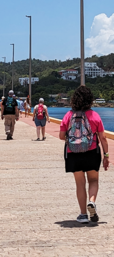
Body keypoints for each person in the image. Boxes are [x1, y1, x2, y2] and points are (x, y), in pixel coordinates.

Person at [59, 85, 109, 223]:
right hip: (92, 152)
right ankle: (92, 202)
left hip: (73, 154)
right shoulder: (94, 116)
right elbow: (103, 138)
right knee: (93, 180)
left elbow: (61, 136)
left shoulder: (69, 115)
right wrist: (106, 155)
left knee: (80, 184)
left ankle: (82, 215)